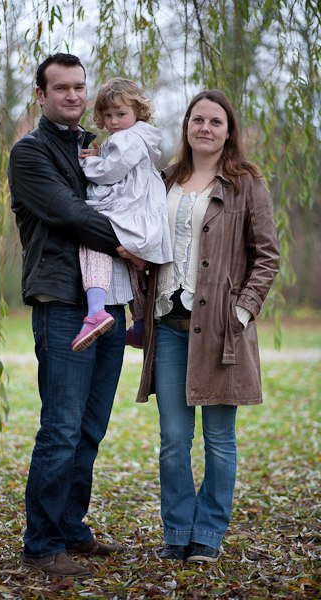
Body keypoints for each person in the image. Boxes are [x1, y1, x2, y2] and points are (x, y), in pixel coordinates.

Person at [8, 53, 140, 577]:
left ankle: (70, 528)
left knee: (89, 428)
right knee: (61, 428)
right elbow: (70, 213)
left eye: (79, 87)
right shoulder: (30, 153)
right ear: (41, 95)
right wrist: (134, 242)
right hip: (62, 302)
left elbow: (133, 194)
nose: (73, 96)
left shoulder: (97, 146)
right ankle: (41, 545)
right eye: (61, 88)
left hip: (110, 302)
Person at [136, 90, 280, 563]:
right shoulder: (164, 180)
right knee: (173, 441)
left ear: (228, 130)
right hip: (168, 327)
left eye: (216, 121)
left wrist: (241, 312)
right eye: (197, 119)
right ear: (186, 126)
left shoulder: (246, 184)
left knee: (219, 441)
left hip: (222, 334)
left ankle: (208, 534)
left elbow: (267, 257)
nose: (205, 128)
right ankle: (178, 531)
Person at [71, 78, 172, 353]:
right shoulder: (140, 138)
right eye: (108, 115)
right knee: (133, 266)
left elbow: (110, 172)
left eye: (121, 114)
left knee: (92, 243)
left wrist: (89, 162)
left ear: (138, 112)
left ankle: (95, 311)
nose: (114, 122)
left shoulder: (128, 138)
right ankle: (139, 323)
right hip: (141, 216)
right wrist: (102, 153)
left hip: (128, 212)